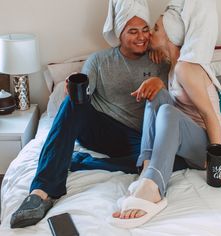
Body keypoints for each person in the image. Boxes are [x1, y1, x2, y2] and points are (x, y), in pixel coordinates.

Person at [10, 0, 167, 228]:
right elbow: (84, 93)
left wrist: (164, 61)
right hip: (100, 130)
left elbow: (183, 88)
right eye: (133, 31)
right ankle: (41, 191)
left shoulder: (159, 61)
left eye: (145, 30)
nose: (141, 37)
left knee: (172, 161)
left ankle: (84, 162)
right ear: (119, 33)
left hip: (138, 139)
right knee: (74, 101)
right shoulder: (99, 60)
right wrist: (72, 88)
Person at [110, 0, 221, 229]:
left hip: (209, 144)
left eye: (155, 29)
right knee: (156, 93)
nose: (148, 33)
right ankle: (147, 170)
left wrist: (219, 162)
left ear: (170, 37)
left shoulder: (186, 68)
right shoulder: (173, 66)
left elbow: (209, 115)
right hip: (190, 140)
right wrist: (160, 56)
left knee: (168, 110)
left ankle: (154, 187)